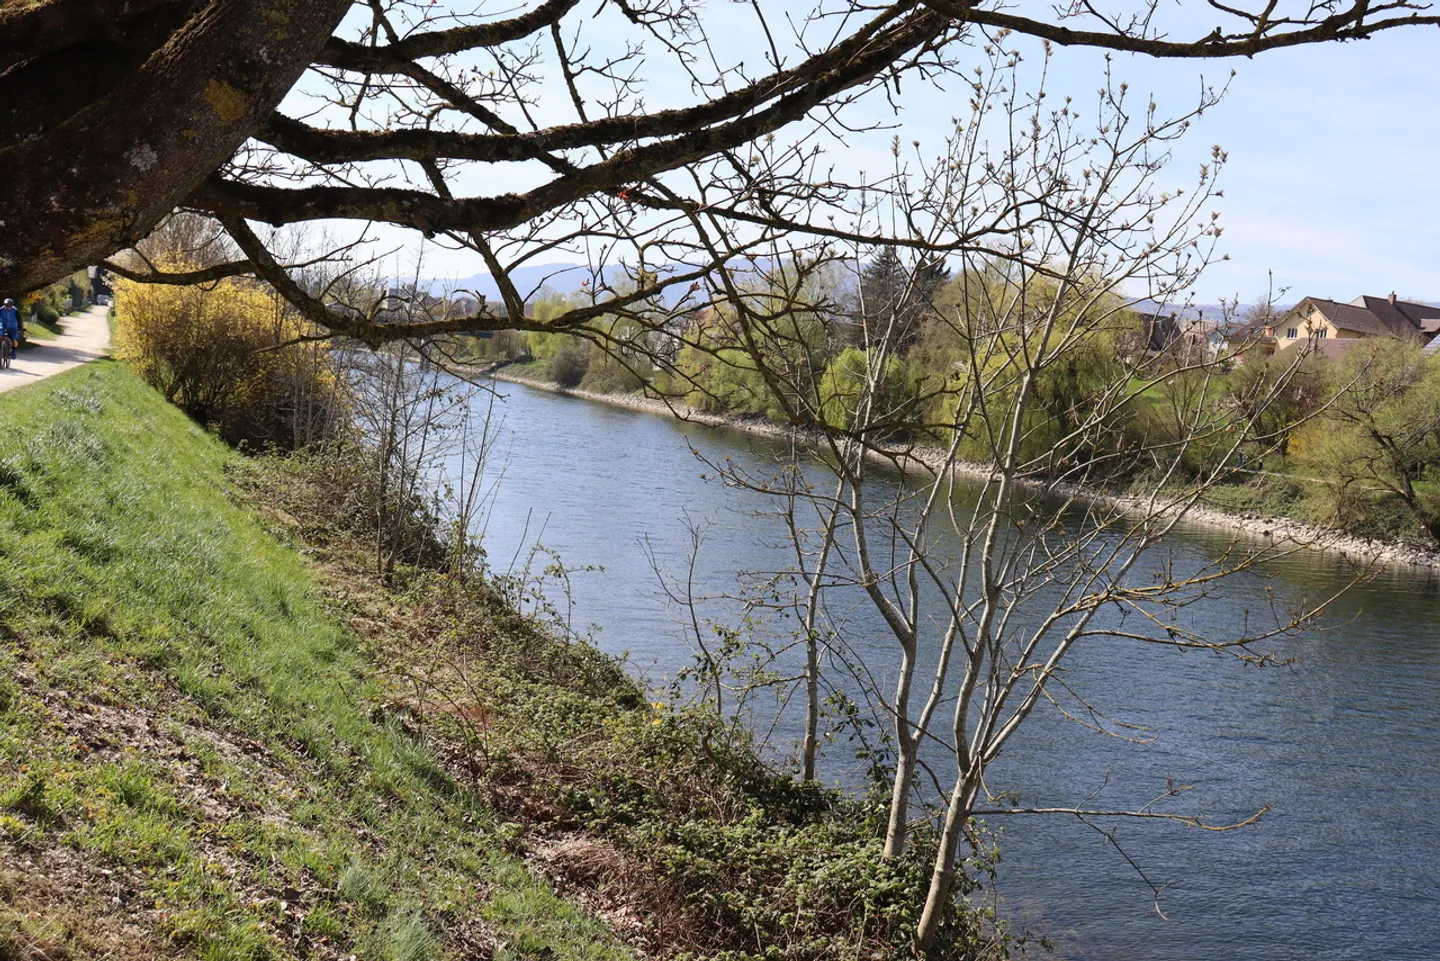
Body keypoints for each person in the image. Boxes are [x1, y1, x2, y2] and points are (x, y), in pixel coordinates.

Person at [0, 299, 18, 365]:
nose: (8, 307)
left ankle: (13, 351)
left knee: (13, 339)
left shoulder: (15, 310)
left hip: (13, 327)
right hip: (3, 326)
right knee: (0, 336)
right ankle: (1, 349)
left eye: (10, 306)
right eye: (6, 305)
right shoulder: (1, 310)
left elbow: (19, 319)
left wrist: (20, 328)